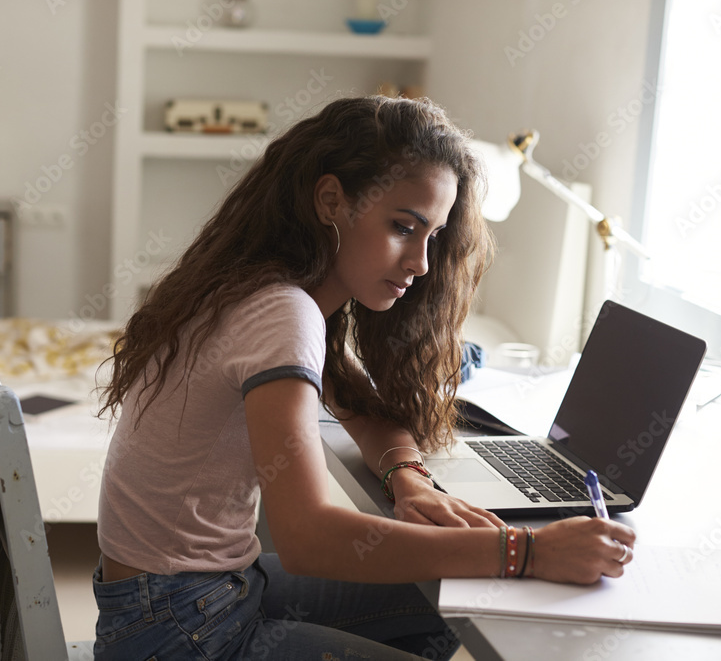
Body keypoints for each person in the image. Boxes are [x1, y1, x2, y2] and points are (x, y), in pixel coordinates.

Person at [93, 95, 637, 660]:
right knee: (465, 579)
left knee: (443, 596)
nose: (422, 263)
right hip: (180, 628)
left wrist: (408, 474)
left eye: (433, 235)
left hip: (179, 600)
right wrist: (525, 551)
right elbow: (307, 538)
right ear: (331, 200)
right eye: (404, 226)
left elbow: (364, 409)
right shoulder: (284, 311)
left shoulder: (262, 287)